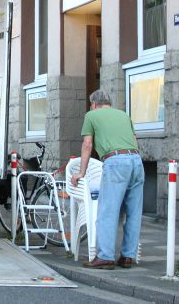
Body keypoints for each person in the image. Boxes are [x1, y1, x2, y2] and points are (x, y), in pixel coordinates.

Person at [71, 89, 144, 270]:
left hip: (115, 161)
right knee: (134, 213)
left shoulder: (91, 115)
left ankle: (105, 256)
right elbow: (135, 141)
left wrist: (81, 172)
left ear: (94, 104)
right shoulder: (124, 115)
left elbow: (87, 144)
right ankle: (127, 256)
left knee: (107, 211)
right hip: (136, 160)